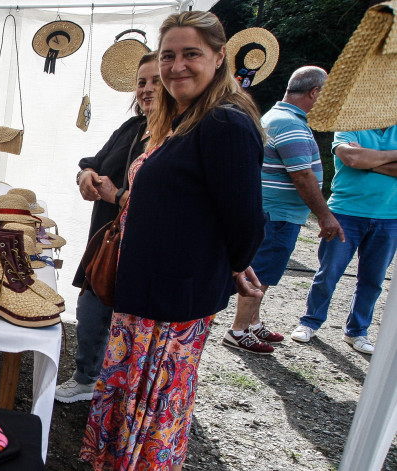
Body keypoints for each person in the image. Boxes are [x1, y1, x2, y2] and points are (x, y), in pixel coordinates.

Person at [80, 11, 266, 470]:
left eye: (191, 54)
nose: (176, 66)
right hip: (146, 291)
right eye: (169, 56)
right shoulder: (184, 119)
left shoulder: (225, 124)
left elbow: (244, 218)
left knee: (154, 404)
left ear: (220, 57)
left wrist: (232, 264)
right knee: (132, 398)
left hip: (172, 300)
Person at [56, 51, 160, 404]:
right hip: (106, 242)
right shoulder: (133, 129)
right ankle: (87, 378)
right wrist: (85, 176)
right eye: (142, 82)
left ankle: (119, 393)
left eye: (156, 81)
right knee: (91, 311)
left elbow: (171, 205)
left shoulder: (176, 139)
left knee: (125, 325)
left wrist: (117, 196)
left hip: (143, 250)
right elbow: (92, 163)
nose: (147, 89)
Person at [225, 66, 344, 355]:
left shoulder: (281, 118)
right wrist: (325, 215)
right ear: (314, 92)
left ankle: (252, 323)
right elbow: (301, 174)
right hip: (275, 213)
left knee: (266, 271)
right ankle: (239, 330)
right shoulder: (288, 122)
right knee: (261, 273)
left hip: (278, 213)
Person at [289, 124, 397, 354]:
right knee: (329, 272)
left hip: (390, 217)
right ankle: (309, 321)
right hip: (345, 212)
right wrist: (369, 160)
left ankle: (357, 331)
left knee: (373, 280)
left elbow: (358, 159)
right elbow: (351, 159)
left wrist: (368, 159)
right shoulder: (350, 126)